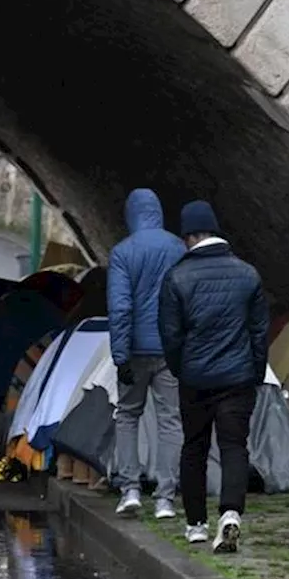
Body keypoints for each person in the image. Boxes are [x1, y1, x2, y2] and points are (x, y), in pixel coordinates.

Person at [158, 200, 268, 553]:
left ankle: (195, 524)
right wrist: (255, 371)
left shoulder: (176, 278)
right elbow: (259, 332)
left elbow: (171, 336)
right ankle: (231, 512)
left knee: (195, 448)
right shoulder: (248, 274)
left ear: (188, 237)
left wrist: (181, 369)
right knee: (234, 446)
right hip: (238, 378)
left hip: (196, 379)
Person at [107, 188, 187, 519]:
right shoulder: (178, 248)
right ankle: (166, 497)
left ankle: (130, 490)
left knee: (127, 415)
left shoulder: (123, 252)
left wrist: (120, 355)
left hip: (136, 351)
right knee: (171, 420)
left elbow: (121, 306)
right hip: (171, 350)